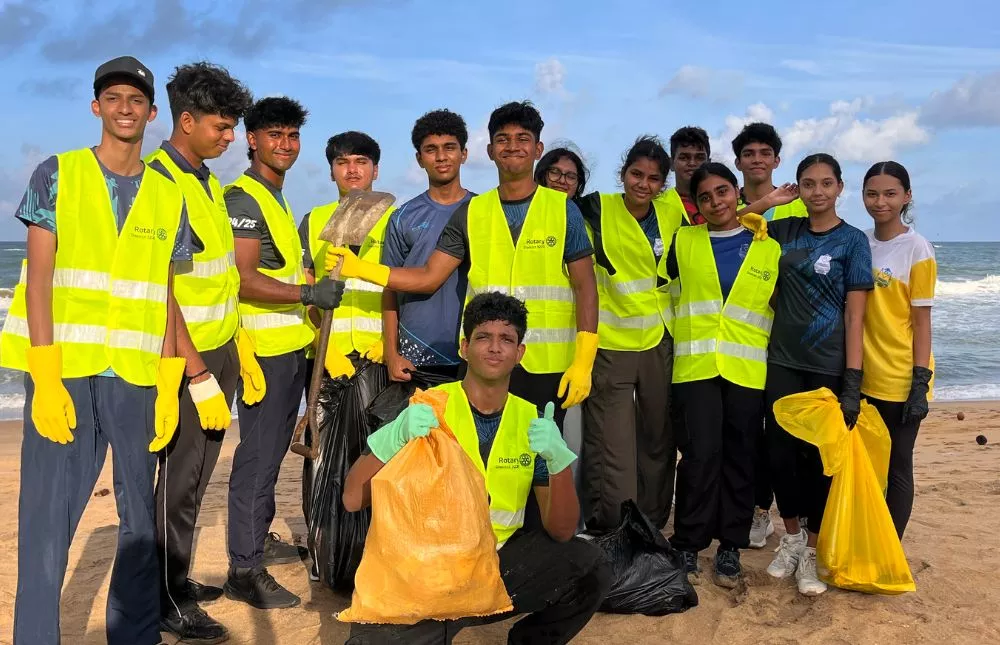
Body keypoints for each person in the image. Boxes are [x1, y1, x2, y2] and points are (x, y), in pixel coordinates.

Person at [1, 56, 192, 645]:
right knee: (46, 519)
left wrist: (170, 381)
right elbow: (38, 280)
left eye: (136, 99)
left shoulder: (169, 195)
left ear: (152, 114)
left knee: (139, 523)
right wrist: (45, 373)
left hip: (135, 376)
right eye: (113, 98)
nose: (124, 108)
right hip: (65, 371)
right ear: (96, 107)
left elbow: (163, 292)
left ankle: (134, 636)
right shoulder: (58, 173)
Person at [341, 292, 612, 644]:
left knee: (590, 565)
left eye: (507, 339)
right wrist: (394, 436)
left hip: (495, 566)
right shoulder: (428, 408)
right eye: (483, 337)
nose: (495, 347)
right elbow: (352, 499)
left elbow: (560, 531)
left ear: (520, 353)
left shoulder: (531, 421)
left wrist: (558, 463)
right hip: (427, 571)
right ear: (465, 348)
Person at [325, 101, 599, 433]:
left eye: (523, 138)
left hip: (546, 367)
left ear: (538, 149)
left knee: (541, 454)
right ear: (490, 151)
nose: (512, 146)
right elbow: (430, 276)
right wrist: (360, 268)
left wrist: (584, 359)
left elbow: (586, 286)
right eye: (503, 139)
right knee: (479, 453)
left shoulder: (563, 210)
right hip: (485, 362)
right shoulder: (471, 211)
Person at [144, 61, 254, 643]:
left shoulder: (205, 181)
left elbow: (217, 278)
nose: (230, 136)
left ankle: (177, 579)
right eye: (222, 126)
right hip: (188, 362)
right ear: (186, 121)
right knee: (179, 484)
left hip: (220, 349)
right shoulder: (161, 183)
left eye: (233, 126)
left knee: (197, 478)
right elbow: (162, 289)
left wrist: (238, 347)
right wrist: (197, 372)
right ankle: (166, 599)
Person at [223, 96, 345, 609]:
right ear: (252, 140)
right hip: (265, 355)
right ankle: (244, 569)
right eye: (275, 134)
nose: (286, 144)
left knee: (271, 456)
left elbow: (282, 271)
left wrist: (310, 305)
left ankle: (258, 540)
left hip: (290, 349)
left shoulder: (277, 197)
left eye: (292, 135)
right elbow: (244, 279)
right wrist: (308, 293)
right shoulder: (244, 199)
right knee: (256, 459)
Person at [761, 153, 873, 596]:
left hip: (827, 365)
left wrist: (852, 383)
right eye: (808, 184)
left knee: (818, 463)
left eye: (826, 183)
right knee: (780, 456)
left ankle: (811, 549)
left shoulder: (853, 241)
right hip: (782, 362)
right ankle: (789, 538)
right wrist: (771, 200)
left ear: (840, 187)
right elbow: (733, 221)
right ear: (798, 188)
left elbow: (855, 317)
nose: (817, 192)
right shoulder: (785, 230)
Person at [665, 163, 779, 588]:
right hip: (695, 367)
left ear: (737, 193)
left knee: (741, 457)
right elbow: (660, 293)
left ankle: (731, 545)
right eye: (706, 197)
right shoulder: (683, 241)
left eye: (723, 191)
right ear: (697, 204)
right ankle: (688, 543)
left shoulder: (768, 247)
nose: (716, 202)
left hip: (746, 369)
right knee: (699, 456)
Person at [575, 136, 679, 532]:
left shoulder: (671, 213)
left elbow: (712, 229)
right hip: (611, 342)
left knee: (658, 437)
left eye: (654, 179)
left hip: (658, 339)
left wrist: (758, 208)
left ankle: (651, 524)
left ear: (663, 184)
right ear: (623, 174)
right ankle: (611, 527)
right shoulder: (597, 208)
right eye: (637, 174)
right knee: (611, 443)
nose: (643, 184)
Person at [860, 161, 935, 539]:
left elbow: (921, 322)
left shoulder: (917, 248)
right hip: (863, 375)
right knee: (867, 465)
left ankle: (890, 546)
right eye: (872, 194)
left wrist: (920, 382)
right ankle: (869, 538)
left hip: (901, 376)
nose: (880, 202)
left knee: (897, 466)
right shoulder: (860, 242)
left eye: (890, 194)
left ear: (907, 196)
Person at [381, 109, 474, 382]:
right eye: (431, 149)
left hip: (473, 351)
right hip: (414, 355)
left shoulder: (483, 212)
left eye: (449, 147)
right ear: (419, 159)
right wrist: (391, 354)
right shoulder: (402, 217)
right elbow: (389, 289)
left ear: (464, 154)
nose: (441, 156)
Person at [300, 130, 394, 379]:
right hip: (328, 354)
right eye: (342, 162)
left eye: (361, 161)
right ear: (331, 172)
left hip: (379, 353)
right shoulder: (314, 219)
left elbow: (407, 288)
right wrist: (323, 345)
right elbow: (305, 289)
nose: (352, 170)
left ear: (375, 170)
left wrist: (390, 340)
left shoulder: (397, 219)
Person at [732, 122, 808, 221]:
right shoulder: (725, 207)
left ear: (776, 161)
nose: (757, 160)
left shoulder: (802, 205)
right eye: (748, 154)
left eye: (765, 154)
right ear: (738, 163)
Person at [658, 126, 710, 225]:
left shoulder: (726, 204)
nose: (692, 163)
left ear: (709, 163)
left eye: (699, 157)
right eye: (684, 157)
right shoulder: (656, 205)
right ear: (671, 164)